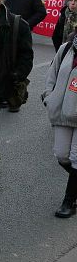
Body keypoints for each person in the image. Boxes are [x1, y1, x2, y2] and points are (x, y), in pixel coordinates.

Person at [42, 32, 77, 218]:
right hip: (62, 113)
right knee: (62, 155)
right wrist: (49, 97)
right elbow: (51, 76)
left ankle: (69, 201)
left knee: (76, 157)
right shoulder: (66, 49)